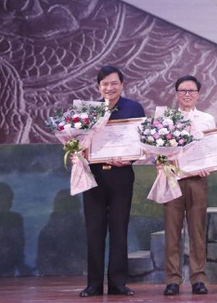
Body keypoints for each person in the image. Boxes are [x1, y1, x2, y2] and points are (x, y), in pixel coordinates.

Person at [80, 65, 145, 297]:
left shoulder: (134, 108)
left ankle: (118, 283)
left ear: (122, 85)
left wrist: (129, 158)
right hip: (94, 176)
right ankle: (94, 284)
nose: (110, 88)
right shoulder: (89, 111)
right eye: (105, 84)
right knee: (94, 231)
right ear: (99, 87)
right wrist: (78, 151)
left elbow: (142, 141)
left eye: (114, 83)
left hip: (121, 176)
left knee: (119, 230)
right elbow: (80, 142)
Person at [162, 75, 216, 296]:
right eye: (183, 90)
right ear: (176, 94)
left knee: (197, 231)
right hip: (172, 179)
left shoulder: (207, 119)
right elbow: (158, 149)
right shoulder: (166, 118)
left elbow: (211, 149)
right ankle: (172, 280)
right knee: (172, 232)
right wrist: (161, 162)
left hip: (197, 180)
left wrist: (208, 166)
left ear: (198, 94)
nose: (187, 94)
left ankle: (198, 279)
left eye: (191, 91)